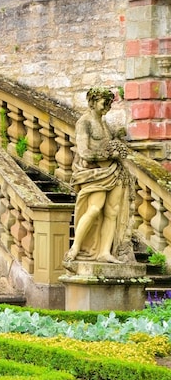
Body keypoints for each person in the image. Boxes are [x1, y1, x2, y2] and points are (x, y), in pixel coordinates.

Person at [64, 86, 132, 265]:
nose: (107, 107)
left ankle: (104, 252)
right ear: (93, 102)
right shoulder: (84, 122)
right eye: (104, 103)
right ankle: (76, 247)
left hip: (113, 172)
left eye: (110, 103)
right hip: (95, 174)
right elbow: (84, 152)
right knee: (94, 209)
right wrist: (110, 154)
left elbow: (109, 145)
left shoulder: (106, 125)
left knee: (112, 212)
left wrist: (117, 141)